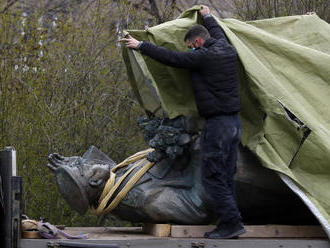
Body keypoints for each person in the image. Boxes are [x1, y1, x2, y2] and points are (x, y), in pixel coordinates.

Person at [120, 5, 245, 239]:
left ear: (197, 42)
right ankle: (230, 221)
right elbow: (216, 30)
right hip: (234, 124)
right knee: (226, 175)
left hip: (217, 126)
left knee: (212, 176)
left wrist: (141, 46)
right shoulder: (225, 48)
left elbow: (173, 59)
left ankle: (231, 222)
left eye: (190, 47)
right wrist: (207, 16)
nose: (189, 51)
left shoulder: (204, 56)